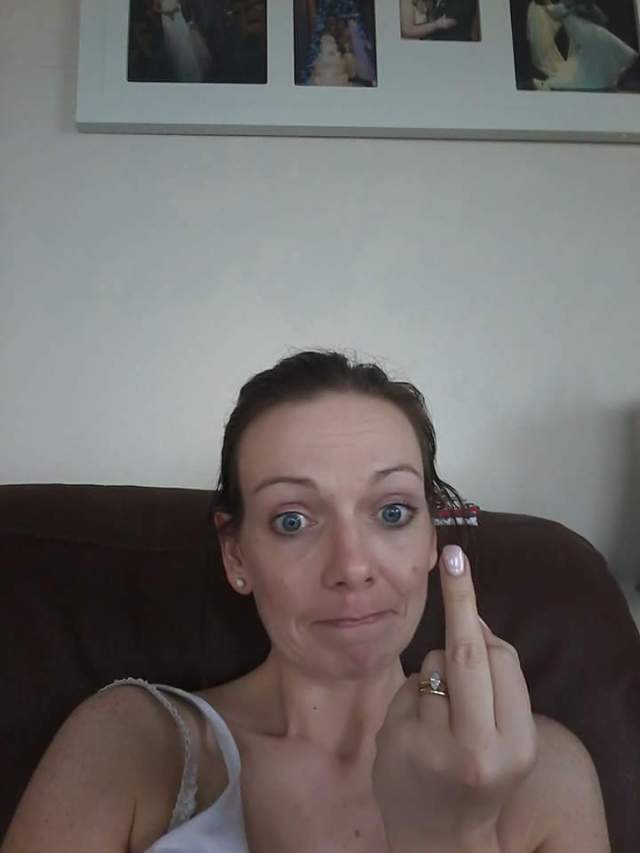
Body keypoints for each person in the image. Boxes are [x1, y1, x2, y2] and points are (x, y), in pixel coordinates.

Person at [2, 350, 610, 852]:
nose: (351, 567)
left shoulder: (547, 775)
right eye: (292, 520)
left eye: (392, 513)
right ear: (236, 557)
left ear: (431, 539)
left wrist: (453, 835)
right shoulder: (129, 744)